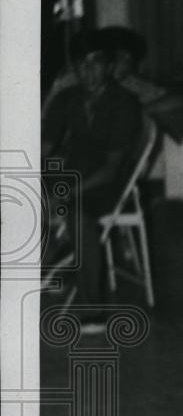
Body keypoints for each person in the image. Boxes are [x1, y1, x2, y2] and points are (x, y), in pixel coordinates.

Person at [41, 30, 143, 327]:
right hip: (73, 172)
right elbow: (44, 149)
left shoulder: (124, 104)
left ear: (109, 66)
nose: (88, 72)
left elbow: (111, 170)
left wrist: (66, 192)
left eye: (96, 63)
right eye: (81, 64)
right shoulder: (66, 99)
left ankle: (92, 307)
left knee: (76, 214)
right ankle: (45, 264)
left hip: (107, 183)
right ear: (74, 68)